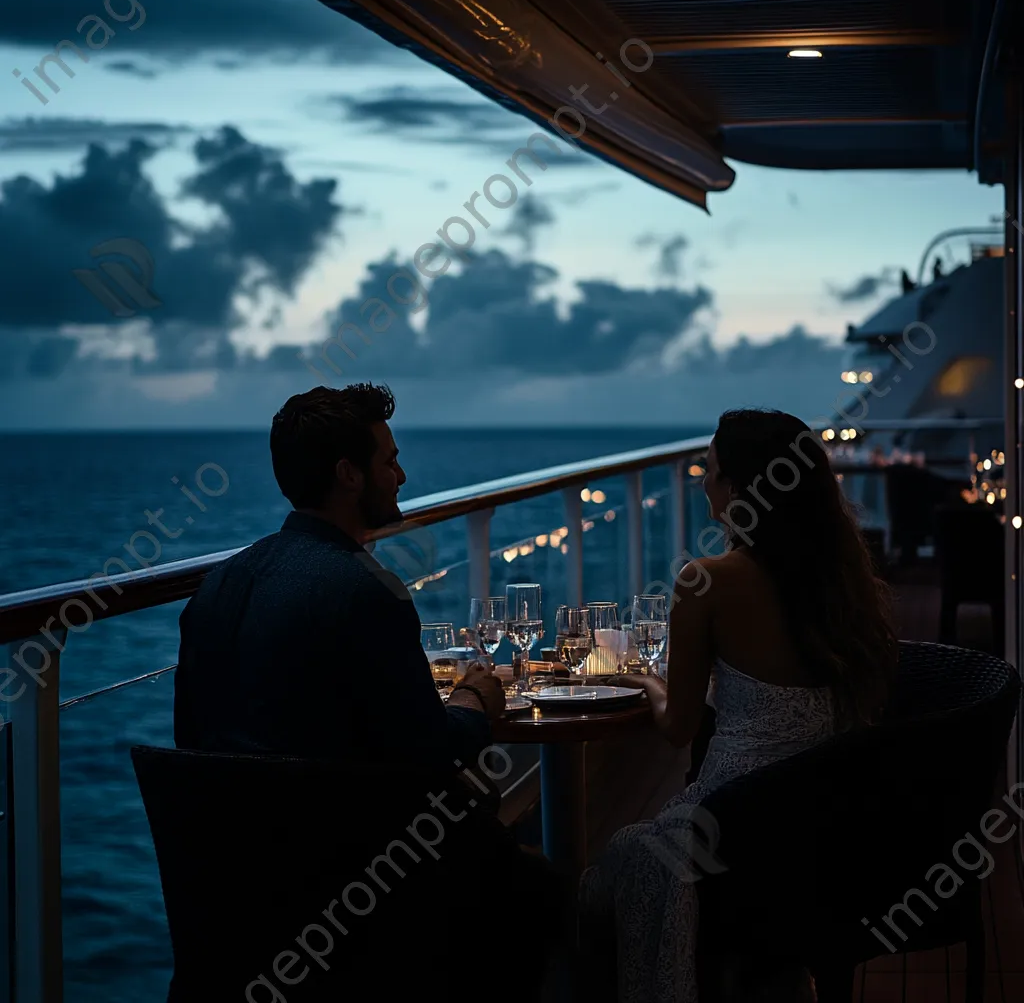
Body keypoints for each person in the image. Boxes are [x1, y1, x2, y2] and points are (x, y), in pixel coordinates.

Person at [173, 383, 562, 1001]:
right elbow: (431, 755)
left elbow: (191, 743)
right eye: (390, 461)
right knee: (544, 891)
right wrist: (474, 702)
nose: (402, 475)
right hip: (357, 907)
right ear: (349, 474)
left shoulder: (215, 589)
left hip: (232, 907)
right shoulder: (364, 591)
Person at [579, 408, 898, 1003]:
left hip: (731, 820)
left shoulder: (707, 581)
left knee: (609, 874)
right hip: (826, 822)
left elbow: (677, 727)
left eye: (712, 469)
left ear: (743, 488)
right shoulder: (842, 580)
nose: (702, 480)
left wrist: (644, 680)